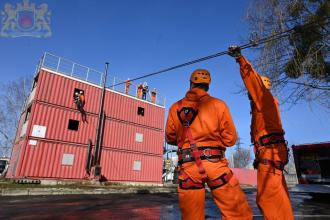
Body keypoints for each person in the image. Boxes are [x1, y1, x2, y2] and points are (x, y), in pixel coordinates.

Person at [165, 69, 252, 220]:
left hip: (188, 168)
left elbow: (170, 137)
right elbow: (230, 139)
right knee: (238, 214)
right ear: (208, 85)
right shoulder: (218, 105)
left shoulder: (175, 108)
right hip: (215, 166)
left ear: (191, 84)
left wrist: (185, 139)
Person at [228, 45, 294, 220]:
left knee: (267, 199)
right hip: (275, 153)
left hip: (270, 153)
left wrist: (240, 59)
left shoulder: (263, 98)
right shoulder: (265, 107)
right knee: (280, 198)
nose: (250, 96)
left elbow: (252, 79)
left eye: (251, 94)